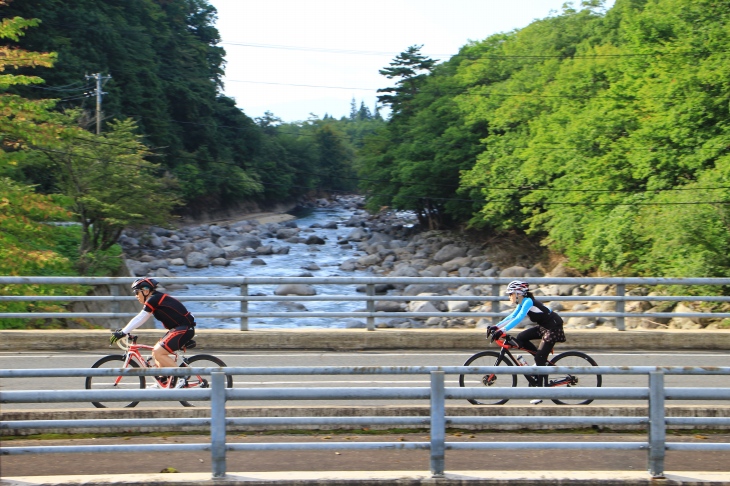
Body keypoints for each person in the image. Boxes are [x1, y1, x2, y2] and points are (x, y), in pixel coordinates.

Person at [487, 280, 565, 404]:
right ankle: (539, 362)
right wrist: (496, 327)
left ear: (518, 293)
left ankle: (540, 393)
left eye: (510, 294)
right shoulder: (523, 302)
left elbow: (519, 318)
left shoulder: (528, 301)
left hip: (553, 328)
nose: (509, 297)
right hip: (544, 327)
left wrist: (503, 330)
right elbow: (512, 316)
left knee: (540, 358)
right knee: (521, 337)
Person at [110, 278, 196, 387]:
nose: (136, 295)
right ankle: (163, 380)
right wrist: (125, 331)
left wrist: (123, 332)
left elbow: (141, 317)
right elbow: (141, 318)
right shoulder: (155, 298)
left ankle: (181, 378)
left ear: (145, 291)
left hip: (184, 329)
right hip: (178, 328)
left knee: (158, 352)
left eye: (137, 292)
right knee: (156, 352)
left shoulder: (153, 299)